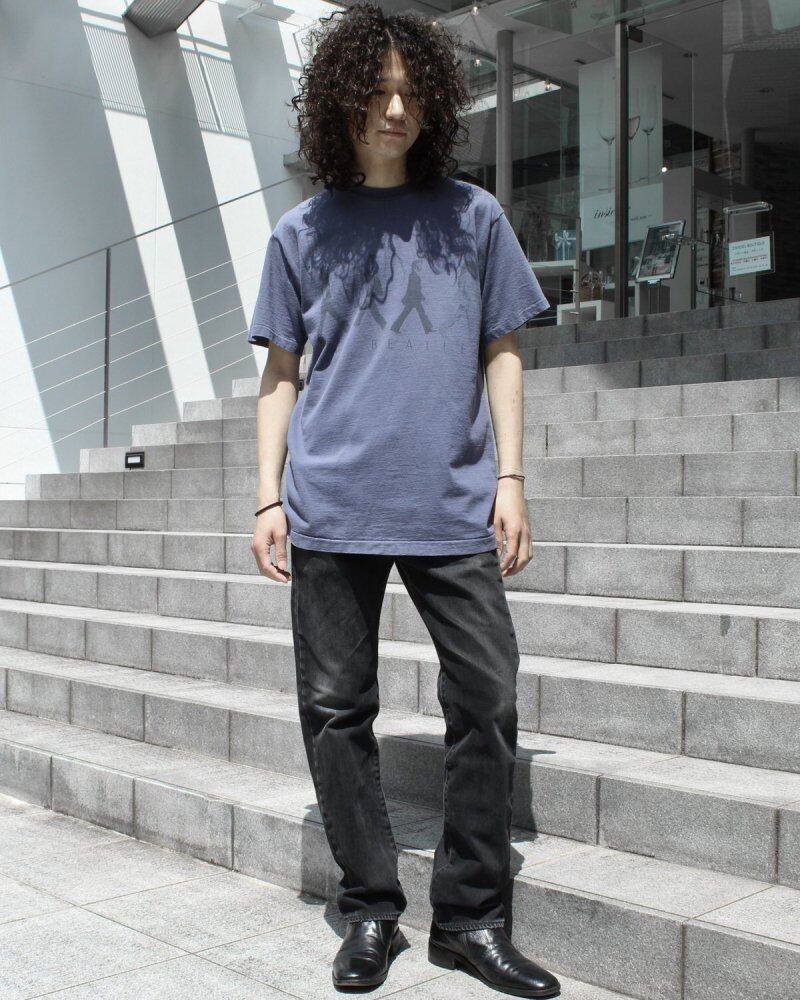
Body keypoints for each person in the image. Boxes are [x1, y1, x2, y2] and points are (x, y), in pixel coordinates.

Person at [249, 4, 559, 996]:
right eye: (375, 92)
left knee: (487, 694)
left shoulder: (473, 217)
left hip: (451, 500)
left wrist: (510, 477)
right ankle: (371, 908)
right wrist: (266, 497)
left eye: (410, 93)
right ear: (338, 101)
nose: (394, 110)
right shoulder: (302, 232)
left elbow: (502, 350)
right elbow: (281, 375)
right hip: (332, 499)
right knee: (336, 708)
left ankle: (469, 919)